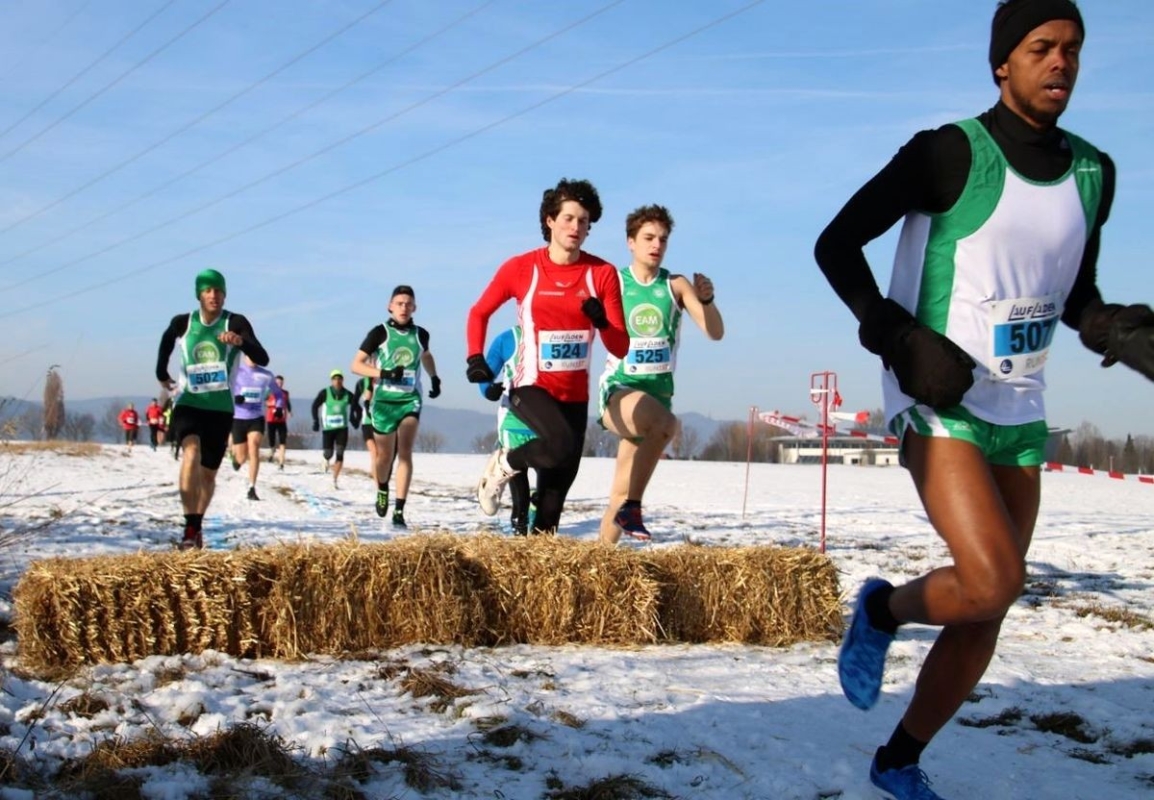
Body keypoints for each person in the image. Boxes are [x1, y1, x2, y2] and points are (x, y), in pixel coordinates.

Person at [813, 2, 1154, 797]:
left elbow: (1073, 298)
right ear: (1004, 62)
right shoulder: (949, 154)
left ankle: (899, 759)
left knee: (985, 607)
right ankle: (883, 611)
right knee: (996, 577)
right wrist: (895, 335)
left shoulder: (1094, 173)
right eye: (1042, 48)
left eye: (1073, 49)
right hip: (935, 396)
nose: (1060, 62)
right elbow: (836, 244)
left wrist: (1118, 331)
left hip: (1019, 407)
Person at [465, 178, 628, 534]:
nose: (576, 227)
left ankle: (530, 571)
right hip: (531, 386)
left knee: (551, 510)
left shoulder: (602, 274)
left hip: (574, 396)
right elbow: (479, 312)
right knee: (558, 447)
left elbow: (620, 347)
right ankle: (503, 464)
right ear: (550, 220)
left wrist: (601, 321)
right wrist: (475, 358)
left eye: (584, 221)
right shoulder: (522, 268)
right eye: (568, 218)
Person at [596, 205, 724, 543]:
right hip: (620, 391)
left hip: (657, 399)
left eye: (663, 240)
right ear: (631, 242)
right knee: (667, 424)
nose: (656, 245)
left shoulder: (676, 285)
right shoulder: (614, 281)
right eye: (648, 238)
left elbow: (715, 333)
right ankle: (634, 508)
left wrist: (708, 301)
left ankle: (598, 567)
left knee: (618, 494)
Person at [156, 269, 268, 549]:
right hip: (188, 403)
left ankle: (196, 525)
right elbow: (165, 343)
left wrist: (241, 342)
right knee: (190, 453)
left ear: (224, 294)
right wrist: (161, 373)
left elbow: (262, 356)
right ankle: (189, 529)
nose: (213, 295)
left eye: (218, 290)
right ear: (199, 294)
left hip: (220, 409)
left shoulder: (235, 322)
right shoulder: (184, 322)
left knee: (208, 474)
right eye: (207, 290)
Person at [351, 285, 441, 527]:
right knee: (383, 456)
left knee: (405, 451)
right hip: (383, 402)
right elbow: (356, 365)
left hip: (410, 399)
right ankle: (382, 488)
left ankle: (399, 509)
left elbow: (426, 356)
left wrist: (434, 377)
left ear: (414, 308)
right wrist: (384, 372)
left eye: (408, 304)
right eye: (399, 303)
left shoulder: (421, 334)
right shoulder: (379, 333)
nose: (404, 307)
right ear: (390, 306)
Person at [477, 326, 540, 536]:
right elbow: (486, 374)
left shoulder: (562, 334)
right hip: (514, 418)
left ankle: (534, 514)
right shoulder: (508, 338)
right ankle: (519, 529)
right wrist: (488, 389)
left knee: (548, 479)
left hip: (548, 420)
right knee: (518, 474)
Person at [229, 354, 284, 501]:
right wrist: (234, 398)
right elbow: (224, 389)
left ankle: (252, 488)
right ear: (244, 355)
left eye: (254, 353)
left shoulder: (265, 375)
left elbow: (278, 394)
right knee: (241, 457)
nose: (252, 357)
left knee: (254, 447)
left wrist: (279, 407)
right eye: (249, 353)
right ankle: (236, 459)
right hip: (238, 418)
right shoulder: (235, 371)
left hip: (256, 418)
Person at [311, 369, 361, 489]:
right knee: (328, 453)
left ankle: (334, 480)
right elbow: (315, 405)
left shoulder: (348, 394)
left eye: (339, 378)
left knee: (340, 453)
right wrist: (316, 421)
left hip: (342, 429)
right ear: (331, 380)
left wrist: (355, 419)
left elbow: (358, 408)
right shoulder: (325, 393)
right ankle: (325, 459)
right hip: (328, 429)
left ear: (342, 380)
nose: (337, 381)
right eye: (335, 379)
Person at [352, 375, 379, 484]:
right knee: (375, 453)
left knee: (383, 456)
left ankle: (377, 475)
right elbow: (354, 401)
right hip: (367, 423)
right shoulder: (361, 383)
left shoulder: (385, 380)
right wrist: (354, 417)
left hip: (382, 423)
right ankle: (379, 488)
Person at [265, 374, 291, 470]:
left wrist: (289, 411)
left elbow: (287, 403)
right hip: (271, 419)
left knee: (282, 441)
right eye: (277, 382)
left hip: (281, 420)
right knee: (271, 440)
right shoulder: (269, 392)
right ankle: (272, 449)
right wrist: (272, 404)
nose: (279, 384)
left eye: (281, 382)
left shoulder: (285, 393)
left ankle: (281, 464)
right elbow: (264, 401)